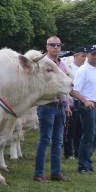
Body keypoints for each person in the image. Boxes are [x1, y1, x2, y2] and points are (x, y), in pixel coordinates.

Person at [33, 36, 71, 182]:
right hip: (47, 105)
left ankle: (56, 172)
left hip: (60, 106)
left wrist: (67, 105)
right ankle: (39, 173)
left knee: (58, 141)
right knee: (45, 139)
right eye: (53, 45)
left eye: (58, 45)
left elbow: (65, 86)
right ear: (47, 47)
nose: (56, 48)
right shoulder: (42, 64)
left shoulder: (62, 65)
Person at [70, 45, 96, 174]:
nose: (95, 57)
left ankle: (87, 161)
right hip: (88, 106)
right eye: (93, 54)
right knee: (88, 136)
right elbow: (74, 91)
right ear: (87, 55)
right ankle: (83, 165)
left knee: (95, 137)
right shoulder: (83, 70)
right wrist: (85, 101)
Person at [63, 50, 86, 160]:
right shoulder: (68, 68)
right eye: (82, 56)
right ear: (75, 56)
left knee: (80, 130)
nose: (84, 58)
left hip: (82, 102)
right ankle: (68, 153)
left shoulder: (84, 69)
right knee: (69, 130)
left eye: (85, 56)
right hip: (71, 102)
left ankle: (78, 151)